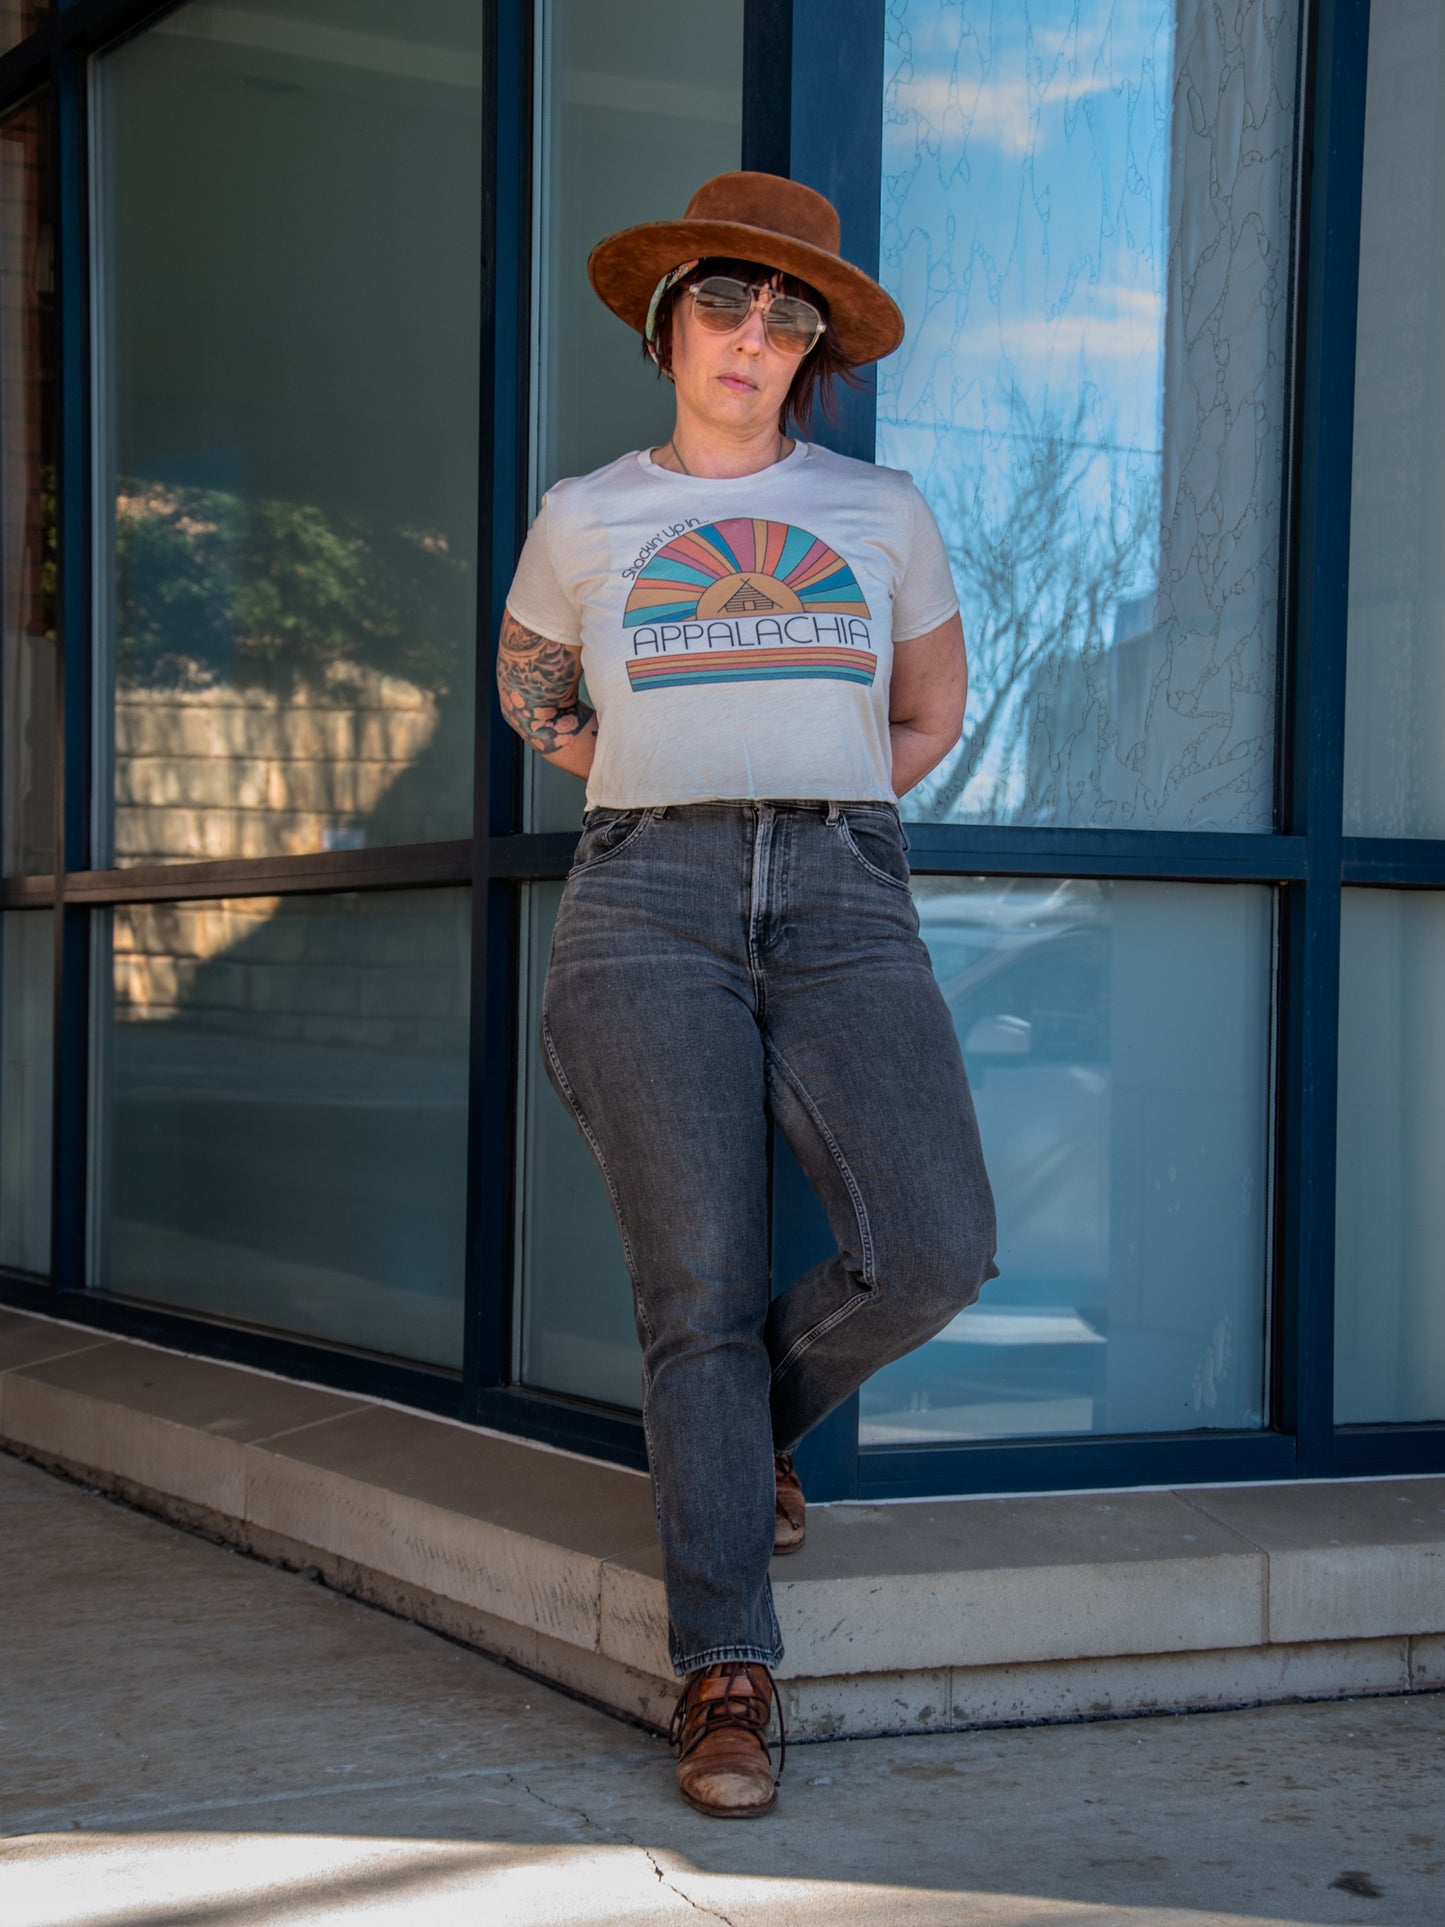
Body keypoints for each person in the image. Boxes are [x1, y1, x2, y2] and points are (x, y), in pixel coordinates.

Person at [498, 171, 997, 1819]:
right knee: (694, 1286)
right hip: (646, 894)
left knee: (930, 1246)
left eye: (789, 315)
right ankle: (726, 1671)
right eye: (723, 300)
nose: (752, 334)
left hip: (844, 890)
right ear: (665, 326)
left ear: (812, 354)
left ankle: (735, 1435)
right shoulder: (586, 514)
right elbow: (532, 690)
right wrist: (636, 766)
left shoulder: (881, 509)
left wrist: (830, 793)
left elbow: (926, 713)